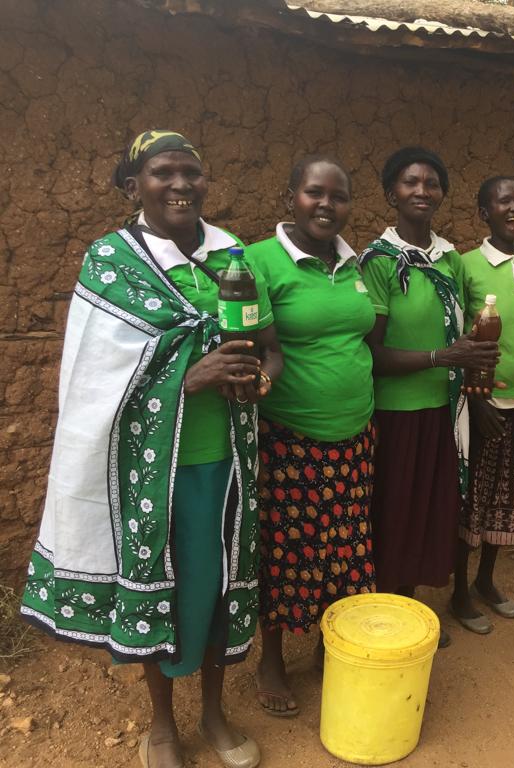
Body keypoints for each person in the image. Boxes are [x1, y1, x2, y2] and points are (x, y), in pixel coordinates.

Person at [20, 130, 283, 768]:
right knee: (160, 590)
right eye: (163, 173)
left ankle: (215, 714)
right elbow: (93, 379)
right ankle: (162, 725)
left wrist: (261, 381)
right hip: (151, 472)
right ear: (134, 185)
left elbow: (270, 344)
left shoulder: (233, 255)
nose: (180, 185)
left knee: (220, 589)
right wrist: (186, 378)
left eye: (192, 172)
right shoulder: (112, 262)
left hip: (228, 466)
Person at [246, 155, 376, 716]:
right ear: (290, 196)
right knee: (287, 548)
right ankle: (271, 657)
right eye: (314, 193)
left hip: (355, 437)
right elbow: (260, 350)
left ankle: (328, 643)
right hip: (291, 438)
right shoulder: (260, 262)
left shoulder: (356, 265)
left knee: (344, 548)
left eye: (339, 196)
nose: (327, 205)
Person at [360, 146, 498, 647]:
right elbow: (372, 352)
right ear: (390, 192)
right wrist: (442, 358)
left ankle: (410, 605)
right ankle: (383, 612)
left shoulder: (449, 258)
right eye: (410, 182)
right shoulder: (377, 262)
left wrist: (475, 367)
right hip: (394, 413)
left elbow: (466, 332)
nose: (422, 191)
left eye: (431, 183)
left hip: (442, 409)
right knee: (392, 510)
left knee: (425, 510)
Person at [449, 177, 514, 634]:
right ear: (483, 212)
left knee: (506, 500)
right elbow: (457, 341)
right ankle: (457, 593)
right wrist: (474, 401)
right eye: (503, 201)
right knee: (472, 499)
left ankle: (486, 581)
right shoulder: (467, 265)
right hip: (483, 404)